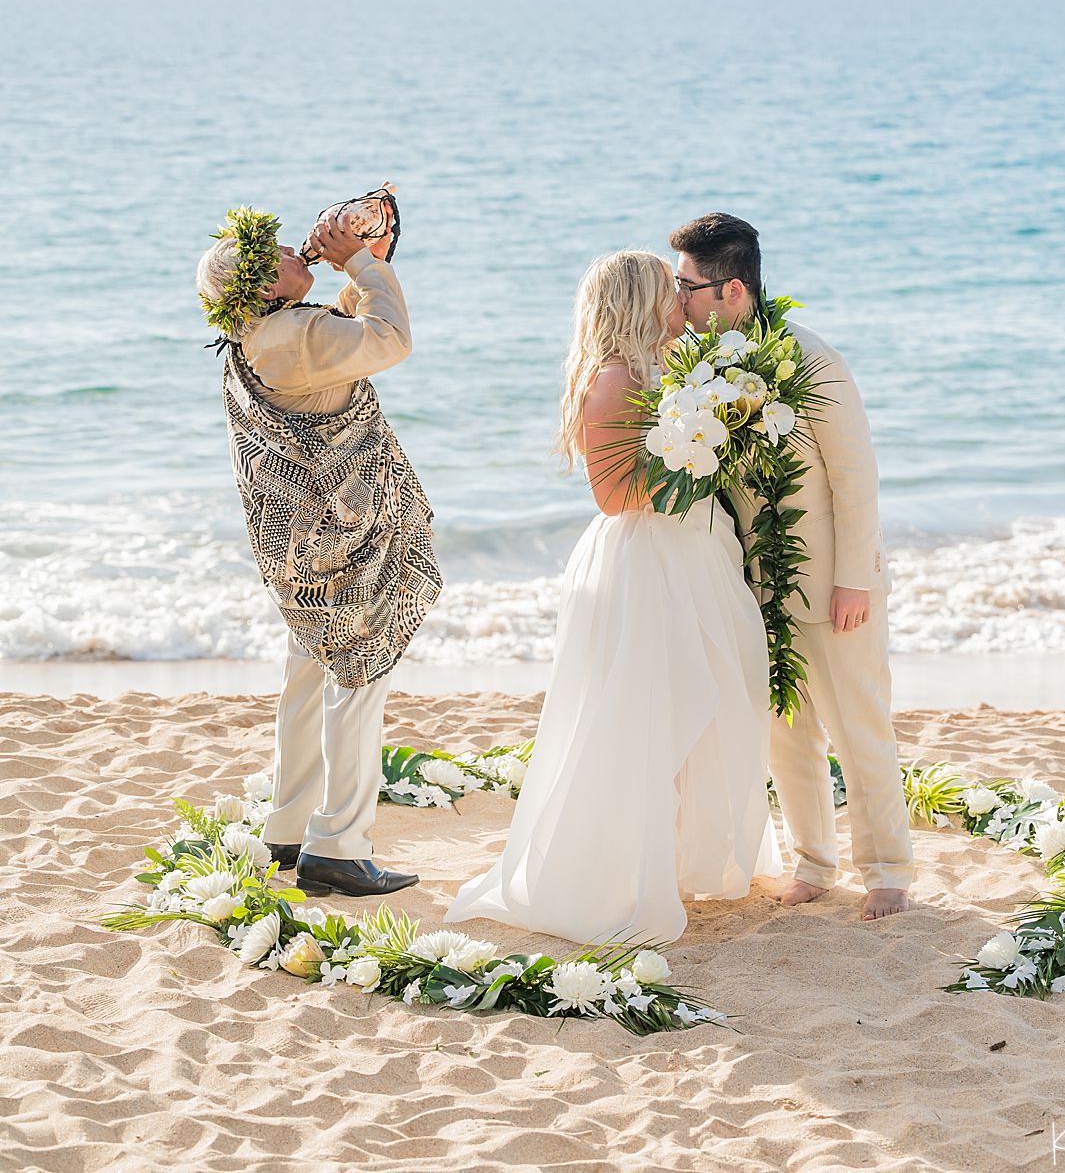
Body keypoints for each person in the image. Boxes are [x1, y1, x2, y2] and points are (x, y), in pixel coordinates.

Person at [445, 250, 781, 946]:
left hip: (693, 556)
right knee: (642, 720)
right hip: (642, 566)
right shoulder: (612, 382)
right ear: (639, 302)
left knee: (718, 699)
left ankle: (688, 859)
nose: (681, 301)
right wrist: (696, 461)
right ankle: (622, 876)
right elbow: (614, 494)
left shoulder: (671, 371)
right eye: (670, 290)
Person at [670, 212, 913, 921]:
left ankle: (889, 869)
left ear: (732, 291)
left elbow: (854, 475)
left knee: (859, 727)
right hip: (756, 585)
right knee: (786, 733)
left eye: (686, 285)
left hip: (837, 586)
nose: (676, 299)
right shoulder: (705, 365)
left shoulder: (810, 360)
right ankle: (814, 861)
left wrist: (855, 580)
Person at [195, 204, 441, 899]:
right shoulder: (292, 335)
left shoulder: (266, 333)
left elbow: (337, 335)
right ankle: (339, 844)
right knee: (358, 678)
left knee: (307, 673)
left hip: (303, 541)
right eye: (272, 251)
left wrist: (367, 266)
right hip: (341, 538)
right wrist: (364, 266)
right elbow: (387, 340)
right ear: (264, 288)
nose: (289, 244)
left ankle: (289, 825)